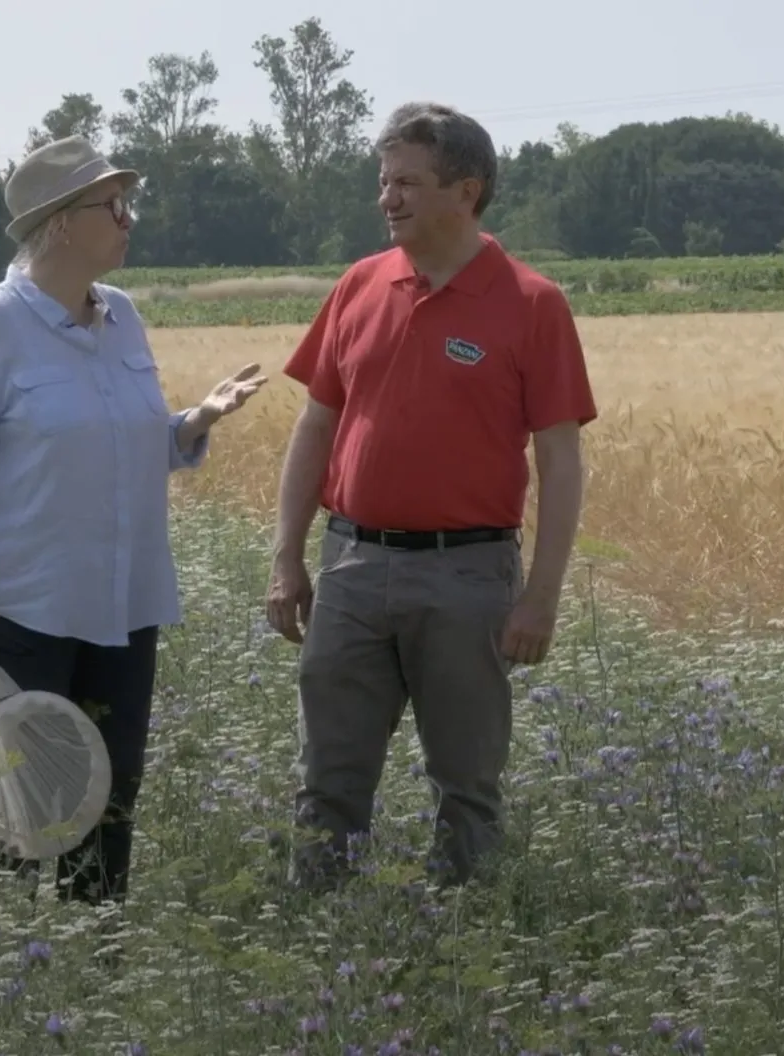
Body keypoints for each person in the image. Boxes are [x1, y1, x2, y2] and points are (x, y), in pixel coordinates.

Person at [0, 135, 266, 906]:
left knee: (108, 802)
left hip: (123, 608)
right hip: (24, 615)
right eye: (113, 205)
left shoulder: (124, 318)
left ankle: (94, 954)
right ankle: (3, 966)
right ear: (64, 222)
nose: (127, 218)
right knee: (20, 811)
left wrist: (192, 422)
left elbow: (124, 445)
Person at [264, 102, 597, 893]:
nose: (387, 198)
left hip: (466, 576)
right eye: (383, 181)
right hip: (349, 565)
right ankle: (322, 940)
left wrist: (540, 599)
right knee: (327, 783)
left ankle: (462, 956)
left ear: (466, 190)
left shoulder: (530, 303)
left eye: (407, 182)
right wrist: (286, 559)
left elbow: (560, 461)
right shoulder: (359, 285)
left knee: (465, 788)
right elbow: (315, 429)